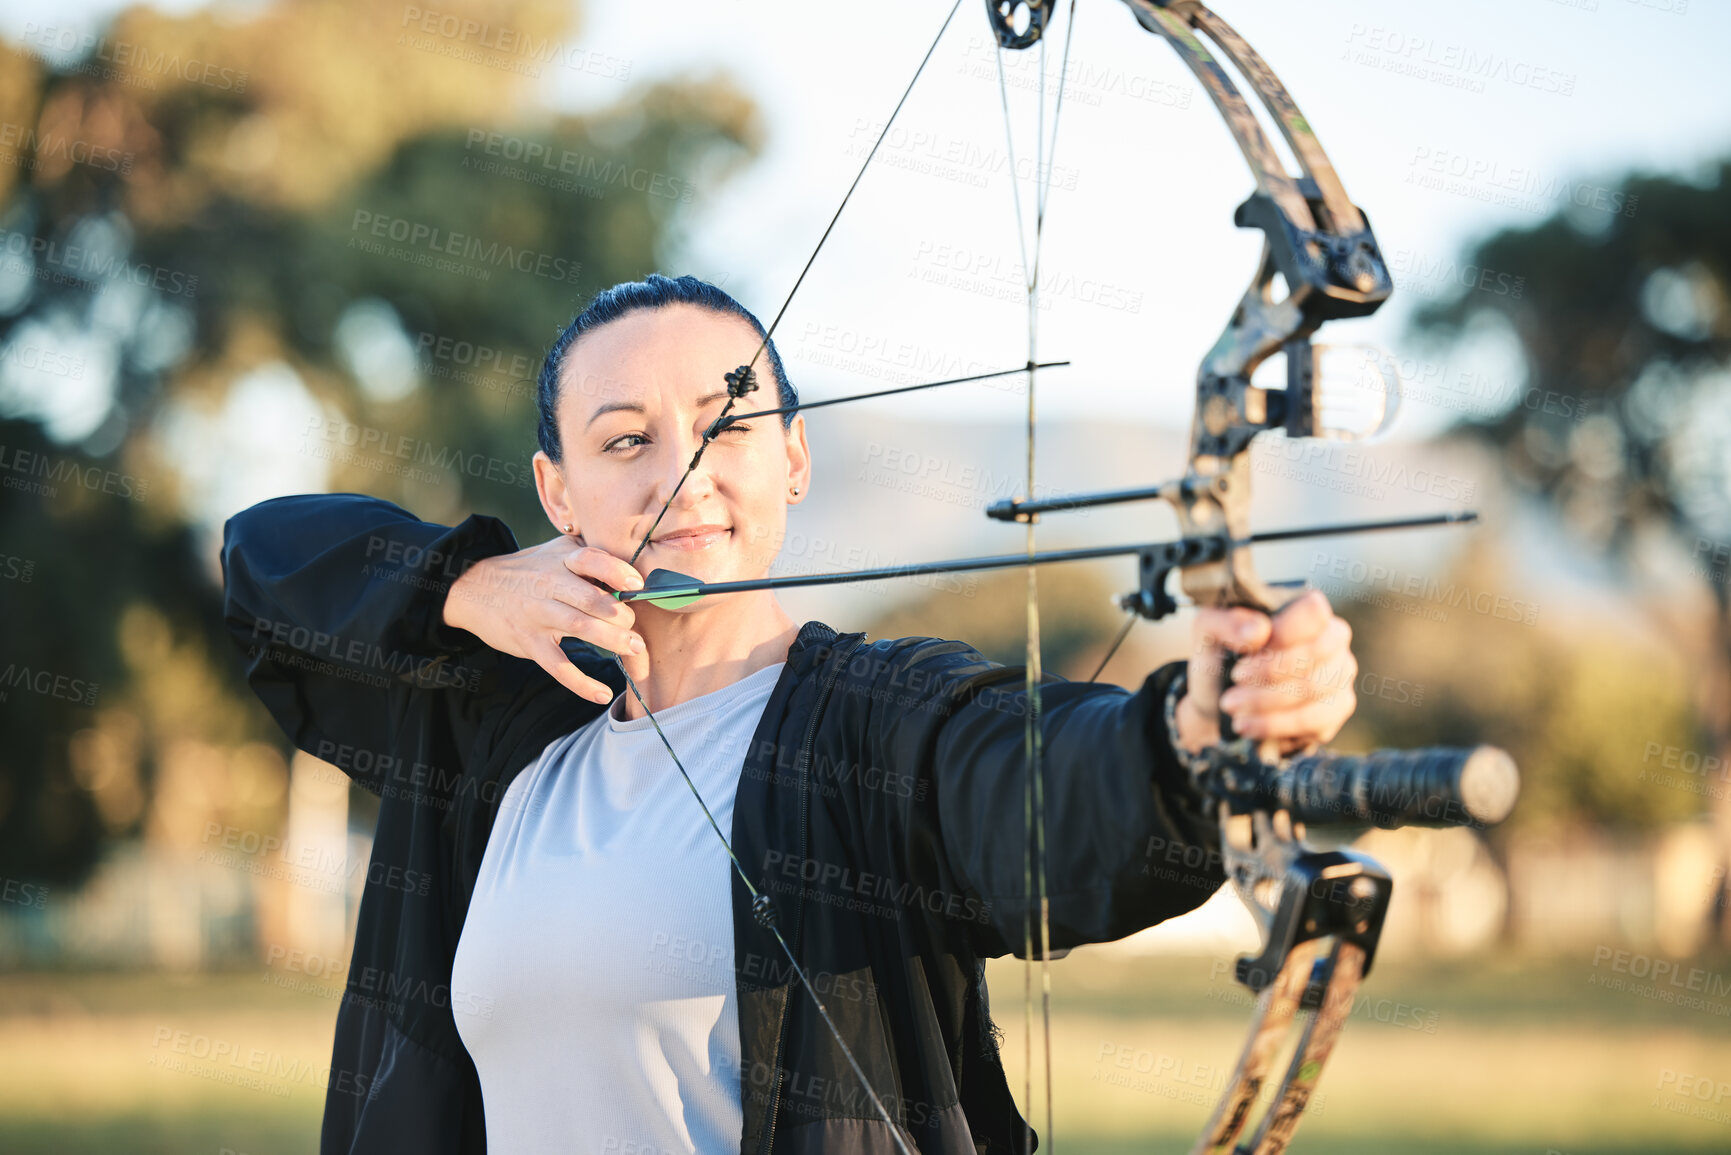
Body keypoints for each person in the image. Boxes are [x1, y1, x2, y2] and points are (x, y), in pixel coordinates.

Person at [220, 274, 1358, 1155]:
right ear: (557, 491)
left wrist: (1197, 732)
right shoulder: (498, 731)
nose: (684, 476)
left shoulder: (876, 724)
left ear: (795, 459)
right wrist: (462, 588)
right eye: (625, 440)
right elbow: (266, 561)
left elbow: (1047, 790)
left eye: (729, 428)